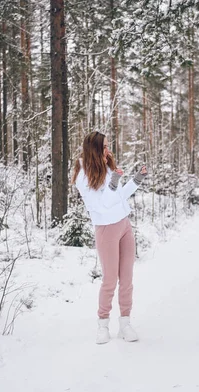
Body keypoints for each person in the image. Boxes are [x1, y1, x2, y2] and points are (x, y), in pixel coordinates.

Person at [72, 132, 148, 344]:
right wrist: (114, 181)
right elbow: (102, 204)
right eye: (104, 147)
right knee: (109, 280)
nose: (108, 150)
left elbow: (119, 196)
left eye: (108, 146)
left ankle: (125, 323)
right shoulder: (83, 175)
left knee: (127, 278)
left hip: (124, 225)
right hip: (106, 229)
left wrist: (136, 179)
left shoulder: (106, 166)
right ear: (94, 149)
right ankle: (103, 324)